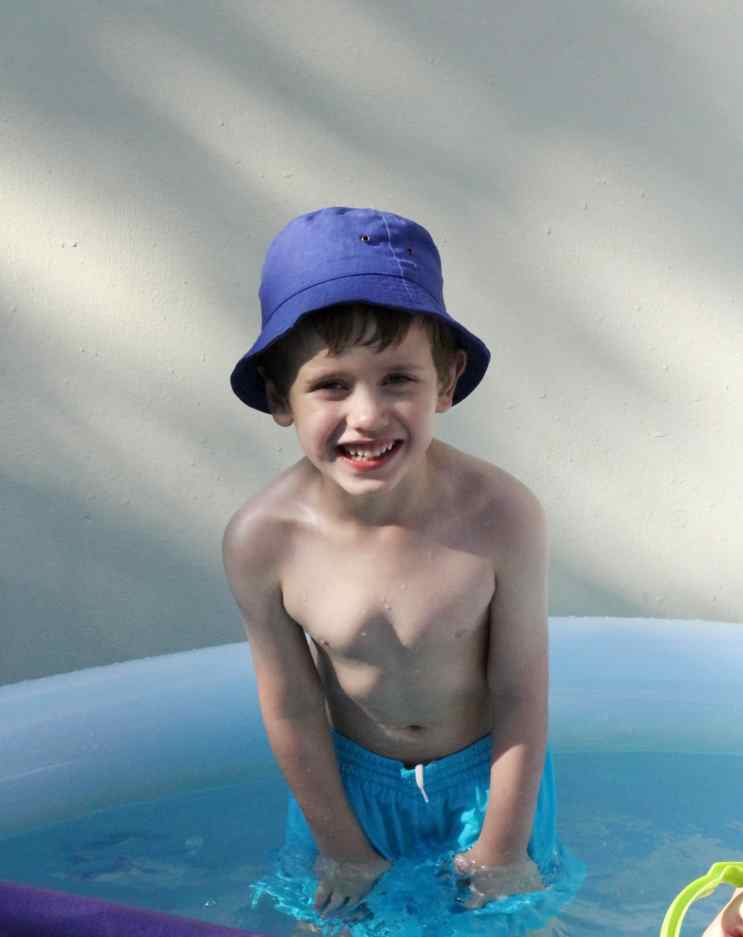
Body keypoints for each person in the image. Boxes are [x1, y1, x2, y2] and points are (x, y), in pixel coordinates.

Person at [223, 207, 584, 935]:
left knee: (519, 919)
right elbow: (292, 707)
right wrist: (342, 847)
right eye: (330, 385)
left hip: (487, 783)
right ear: (276, 396)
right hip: (345, 792)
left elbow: (520, 688)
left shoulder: (502, 516)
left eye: (397, 378)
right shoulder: (264, 540)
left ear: (446, 381)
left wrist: (503, 845)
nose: (368, 415)